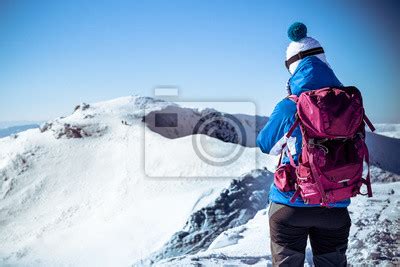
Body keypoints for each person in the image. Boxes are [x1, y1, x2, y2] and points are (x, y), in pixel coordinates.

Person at [257, 22, 351, 266]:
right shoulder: (348, 102)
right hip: (336, 205)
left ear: (293, 68)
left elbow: (266, 144)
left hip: (291, 206)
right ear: (324, 60)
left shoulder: (291, 104)